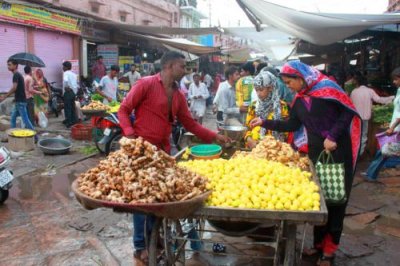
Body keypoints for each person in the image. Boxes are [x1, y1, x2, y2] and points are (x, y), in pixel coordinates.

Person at [117, 51, 230, 264]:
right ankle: (140, 246)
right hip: (141, 151)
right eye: (182, 66)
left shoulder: (178, 94)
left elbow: (190, 124)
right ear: (169, 66)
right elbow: (124, 110)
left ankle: (154, 236)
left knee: (158, 197)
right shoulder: (146, 84)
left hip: (163, 152)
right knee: (140, 201)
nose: (186, 71)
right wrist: (130, 135)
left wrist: (215, 137)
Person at [250, 60, 361, 266]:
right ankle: (318, 244)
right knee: (321, 201)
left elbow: (348, 112)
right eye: (284, 82)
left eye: (289, 82)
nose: (288, 86)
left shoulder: (327, 89)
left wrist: (334, 136)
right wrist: (264, 122)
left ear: (300, 78)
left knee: (337, 201)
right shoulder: (299, 100)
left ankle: (329, 250)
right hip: (316, 154)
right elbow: (293, 124)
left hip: (337, 153)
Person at [364, 67, 400, 180]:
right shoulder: (399, 90)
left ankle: (371, 174)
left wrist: (392, 127)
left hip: (397, 128)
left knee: (385, 151)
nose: (394, 82)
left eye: (396, 79)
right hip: (395, 126)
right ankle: (371, 173)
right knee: (384, 151)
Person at [244, 69, 289, 149]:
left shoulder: (282, 106)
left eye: (261, 90)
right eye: (256, 90)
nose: (258, 93)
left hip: (274, 149)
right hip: (255, 149)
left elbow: (286, 129)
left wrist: (273, 144)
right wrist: (249, 139)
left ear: (270, 88)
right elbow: (247, 128)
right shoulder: (254, 106)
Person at [350, 73, 394, 155]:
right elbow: (379, 100)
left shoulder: (354, 92)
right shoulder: (369, 91)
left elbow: (351, 104)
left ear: (357, 82)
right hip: (365, 118)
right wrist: (392, 98)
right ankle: (360, 153)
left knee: (356, 135)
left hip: (355, 117)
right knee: (363, 135)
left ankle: (355, 153)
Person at [0, 59, 35, 133]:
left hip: (21, 102)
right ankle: (12, 135)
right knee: (13, 118)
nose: (8, 66)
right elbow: (19, 89)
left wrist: (5, 96)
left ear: (15, 65)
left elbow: (14, 88)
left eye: (10, 65)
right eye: (8, 65)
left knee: (26, 120)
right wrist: (15, 98)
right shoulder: (18, 75)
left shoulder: (16, 75)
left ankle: (35, 137)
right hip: (18, 101)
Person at [62, 61, 78, 128]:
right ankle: (73, 120)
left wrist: (66, 87)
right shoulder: (74, 74)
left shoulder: (65, 73)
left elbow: (65, 81)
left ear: (66, 67)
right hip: (73, 92)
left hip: (68, 92)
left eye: (63, 66)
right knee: (72, 107)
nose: (62, 68)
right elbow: (75, 84)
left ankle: (69, 122)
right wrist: (74, 92)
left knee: (67, 107)